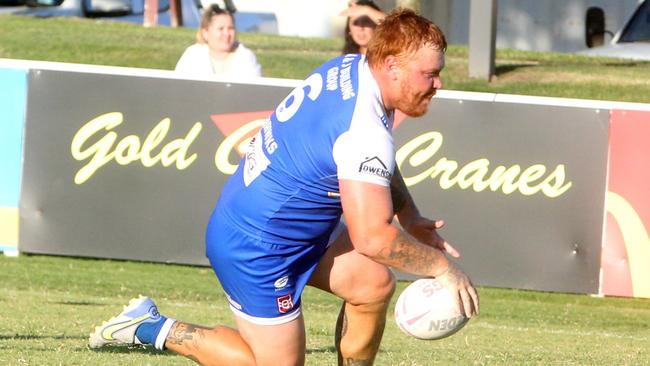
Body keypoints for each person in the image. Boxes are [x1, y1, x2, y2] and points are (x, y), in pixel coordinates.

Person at [89, 8, 479, 366]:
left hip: (293, 227)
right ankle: (151, 327)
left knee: (372, 285)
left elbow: (370, 162)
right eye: (429, 74)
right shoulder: (363, 127)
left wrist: (408, 214)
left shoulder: (352, 67)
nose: (437, 83)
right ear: (392, 65)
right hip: (256, 246)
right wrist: (445, 270)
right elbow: (373, 239)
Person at [175, 3, 262, 78]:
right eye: (220, 29)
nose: (226, 34)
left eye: (230, 28)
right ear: (205, 32)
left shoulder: (246, 57)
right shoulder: (192, 55)